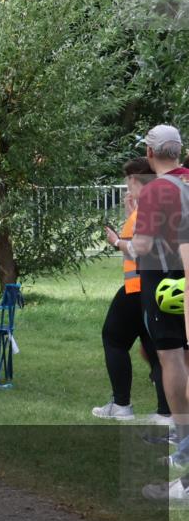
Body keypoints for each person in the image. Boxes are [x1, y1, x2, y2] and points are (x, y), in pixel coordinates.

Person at [95, 156, 169, 421]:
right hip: (157, 289)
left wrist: (116, 241)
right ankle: (165, 412)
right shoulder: (159, 207)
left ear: (137, 180)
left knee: (113, 338)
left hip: (137, 286)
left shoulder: (145, 211)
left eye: (128, 182)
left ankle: (121, 404)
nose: (127, 188)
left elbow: (137, 250)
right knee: (155, 349)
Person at [131, 125, 189, 441]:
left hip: (166, 282)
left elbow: (141, 245)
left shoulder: (155, 189)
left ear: (150, 152)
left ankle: (182, 435)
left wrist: (123, 242)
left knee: (171, 356)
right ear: (179, 151)